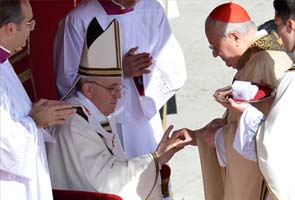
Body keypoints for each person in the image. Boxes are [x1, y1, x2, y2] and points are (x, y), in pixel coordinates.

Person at [46, 18, 190, 200]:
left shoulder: (94, 113)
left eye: (119, 87)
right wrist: (156, 158)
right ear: (88, 89)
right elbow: (109, 182)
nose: (118, 95)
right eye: (111, 89)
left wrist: (156, 159)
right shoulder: (74, 122)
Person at [175, 2, 294, 200]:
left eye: (214, 46)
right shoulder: (262, 57)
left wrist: (221, 138)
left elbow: (269, 143)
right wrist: (198, 137)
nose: (214, 54)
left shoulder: (262, 64)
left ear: (235, 37)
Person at [54, 0, 186, 160]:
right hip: (101, 123)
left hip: (142, 120)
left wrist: (145, 74)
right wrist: (118, 71)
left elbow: (173, 67)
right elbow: (68, 81)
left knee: (149, 174)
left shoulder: (152, 10)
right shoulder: (79, 19)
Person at [0, 0, 77, 200]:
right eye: (29, 23)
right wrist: (36, 120)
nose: (32, 30)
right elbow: (5, 145)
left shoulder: (4, 62)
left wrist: (36, 111)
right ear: (10, 28)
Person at [219, 0, 295, 199]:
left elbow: (273, 144)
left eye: (277, 24)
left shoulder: (292, 79)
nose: (277, 32)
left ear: (290, 25)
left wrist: (246, 112)